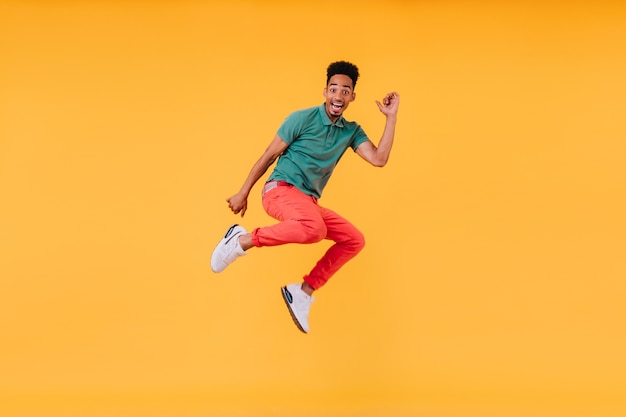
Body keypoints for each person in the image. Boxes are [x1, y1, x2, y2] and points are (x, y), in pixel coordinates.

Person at [210, 61, 400, 333]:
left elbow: (379, 159)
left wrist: (391, 117)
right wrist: (243, 192)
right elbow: (269, 154)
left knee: (354, 239)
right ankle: (241, 240)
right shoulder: (302, 118)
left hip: (307, 203)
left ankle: (303, 291)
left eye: (345, 91)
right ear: (325, 92)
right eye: (333, 89)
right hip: (279, 189)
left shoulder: (351, 131)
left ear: (352, 97)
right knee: (314, 229)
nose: (338, 96)